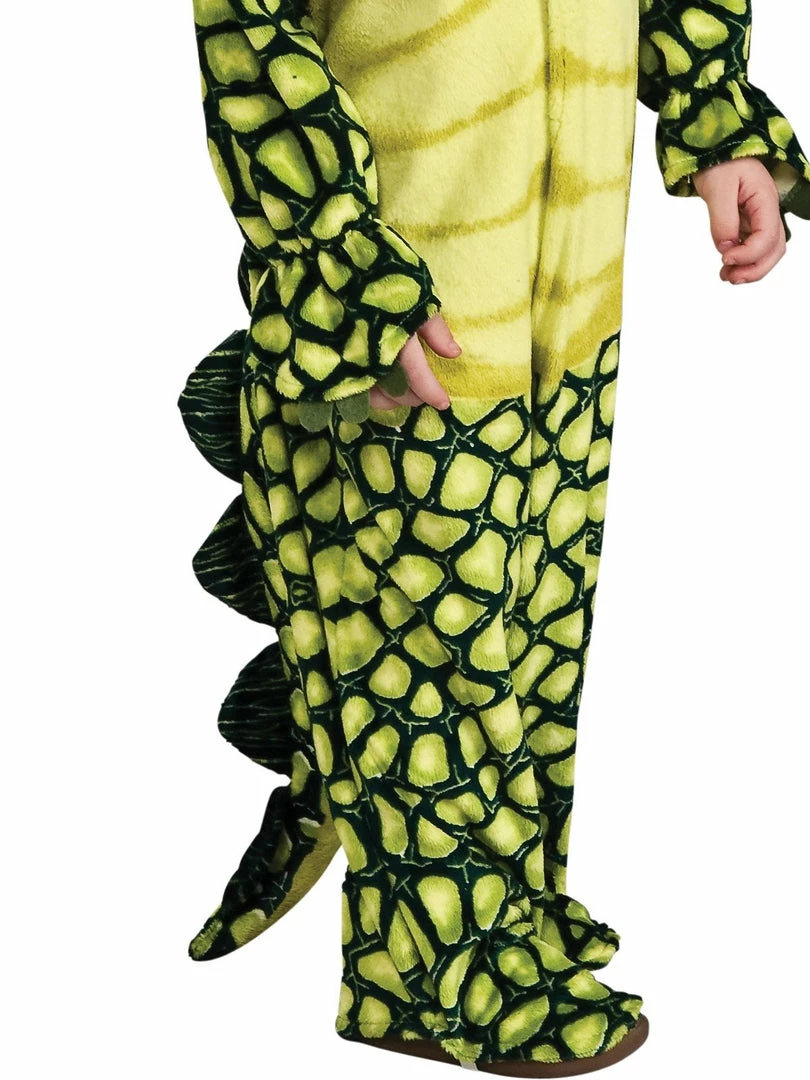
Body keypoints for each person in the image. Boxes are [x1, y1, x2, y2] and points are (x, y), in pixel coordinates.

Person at [177, 1, 810, 1074]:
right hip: (409, 302)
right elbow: (250, 30)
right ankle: (430, 970)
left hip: (575, 269)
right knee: (428, 646)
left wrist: (714, 115)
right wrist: (339, 267)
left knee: (536, 631)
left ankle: (509, 913)